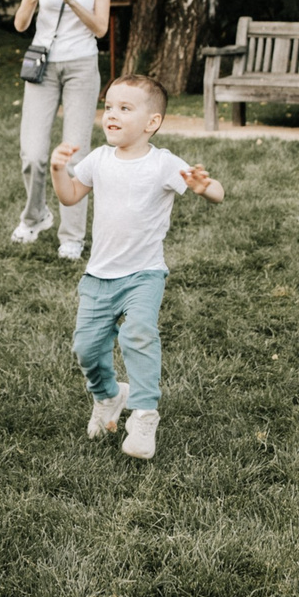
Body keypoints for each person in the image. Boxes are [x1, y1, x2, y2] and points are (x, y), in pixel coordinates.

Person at [49, 73, 224, 462]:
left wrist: (203, 187)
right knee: (86, 349)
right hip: (98, 276)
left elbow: (218, 193)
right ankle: (109, 395)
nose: (111, 115)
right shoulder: (98, 159)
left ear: (152, 123)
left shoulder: (163, 164)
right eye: (108, 106)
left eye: (124, 108)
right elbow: (70, 196)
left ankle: (144, 414)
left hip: (144, 273)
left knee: (139, 334)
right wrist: (58, 171)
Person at [10, 0, 112, 259]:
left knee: (75, 156)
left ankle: (71, 237)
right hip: (43, 66)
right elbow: (22, 25)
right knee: (34, 155)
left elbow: (100, 29)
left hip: (82, 66)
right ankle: (36, 216)